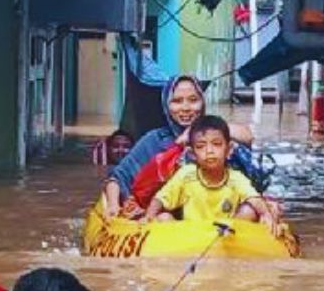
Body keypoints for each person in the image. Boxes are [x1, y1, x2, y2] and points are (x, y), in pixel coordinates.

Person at [103, 75, 259, 219]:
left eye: (193, 100)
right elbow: (117, 178)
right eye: (177, 101)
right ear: (166, 105)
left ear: (202, 102)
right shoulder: (155, 141)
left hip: (222, 216)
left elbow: (247, 136)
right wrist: (113, 205)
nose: (186, 108)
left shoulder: (216, 133)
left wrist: (192, 132)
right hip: (169, 220)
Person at [145, 115, 280, 236]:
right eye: (201, 146)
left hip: (224, 235)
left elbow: (253, 198)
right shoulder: (186, 174)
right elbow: (161, 199)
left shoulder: (236, 178)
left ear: (228, 150)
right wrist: (148, 218)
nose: (209, 151)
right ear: (192, 154)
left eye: (216, 144)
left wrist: (266, 214)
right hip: (189, 235)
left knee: (249, 211)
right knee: (164, 218)